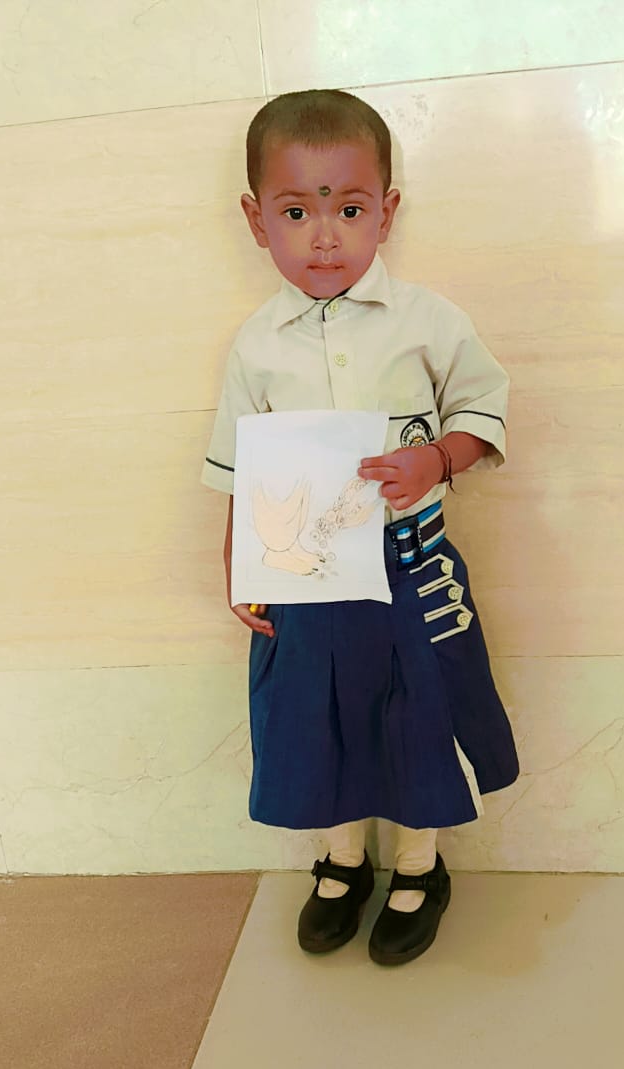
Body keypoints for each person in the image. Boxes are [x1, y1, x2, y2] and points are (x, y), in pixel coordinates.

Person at [201, 89, 519, 965]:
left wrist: (438, 459)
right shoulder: (256, 346)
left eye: (348, 209)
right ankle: (341, 861)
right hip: (304, 581)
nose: (324, 238)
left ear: (387, 210)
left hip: (410, 569)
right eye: (295, 212)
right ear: (257, 221)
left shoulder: (427, 321)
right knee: (318, 719)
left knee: (417, 715)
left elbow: (484, 408)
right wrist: (240, 568)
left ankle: (418, 867)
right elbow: (239, 469)